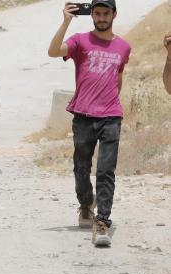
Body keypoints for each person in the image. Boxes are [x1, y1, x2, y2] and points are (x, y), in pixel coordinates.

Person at [48, 0, 130, 247]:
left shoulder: (124, 46)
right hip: (83, 115)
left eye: (106, 13)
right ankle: (86, 204)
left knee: (106, 170)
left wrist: (110, 102)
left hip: (111, 117)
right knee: (81, 168)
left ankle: (102, 221)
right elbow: (53, 51)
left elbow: (118, 76)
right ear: (92, 15)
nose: (102, 18)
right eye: (97, 13)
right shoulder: (80, 41)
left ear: (114, 14)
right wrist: (65, 21)